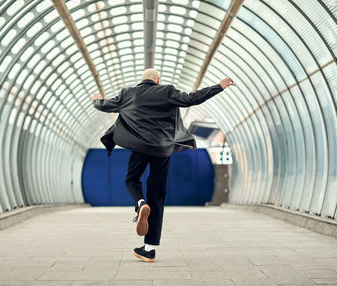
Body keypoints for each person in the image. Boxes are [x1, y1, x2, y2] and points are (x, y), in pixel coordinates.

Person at [91, 68, 235, 263]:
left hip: (139, 146)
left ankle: (140, 203)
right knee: (157, 195)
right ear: (157, 80)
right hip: (162, 148)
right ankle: (149, 249)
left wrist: (96, 100)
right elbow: (192, 99)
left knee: (131, 179)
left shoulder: (128, 93)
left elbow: (107, 106)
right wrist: (219, 86)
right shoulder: (167, 91)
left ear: (141, 80)